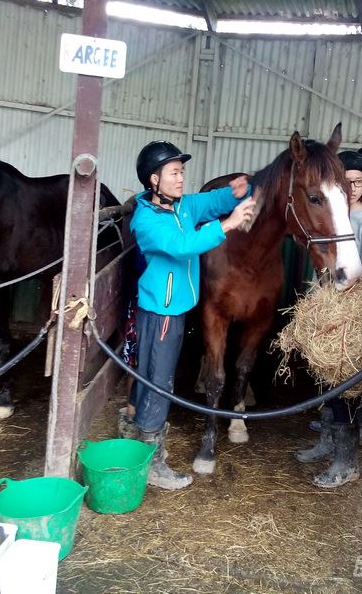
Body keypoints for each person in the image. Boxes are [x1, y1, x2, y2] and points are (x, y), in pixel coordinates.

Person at [121, 140, 255, 491]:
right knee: (160, 381)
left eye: (182, 172)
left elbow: (212, 201)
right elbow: (182, 246)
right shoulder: (147, 220)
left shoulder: (182, 207)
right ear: (154, 179)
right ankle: (152, 463)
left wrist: (241, 190)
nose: (181, 179)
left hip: (176, 311)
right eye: (174, 173)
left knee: (158, 377)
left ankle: (142, 443)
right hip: (162, 314)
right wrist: (228, 225)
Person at [296, 151, 362, 488]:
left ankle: (346, 462)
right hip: (329, 312)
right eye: (345, 183)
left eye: (358, 182)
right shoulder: (332, 218)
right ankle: (327, 443)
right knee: (327, 384)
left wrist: (350, 306)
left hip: (352, 316)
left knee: (347, 391)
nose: (352, 188)